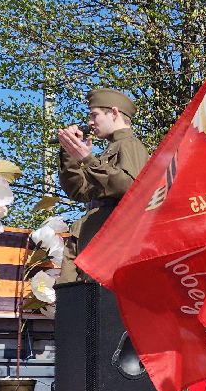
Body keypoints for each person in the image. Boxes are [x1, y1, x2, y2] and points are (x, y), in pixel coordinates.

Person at [56, 87, 150, 283]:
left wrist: (87, 160)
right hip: (92, 237)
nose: (90, 122)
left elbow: (130, 187)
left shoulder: (129, 144)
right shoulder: (110, 150)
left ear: (114, 113)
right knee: (75, 302)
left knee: (97, 305)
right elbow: (79, 190)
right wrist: (70, 154)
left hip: (111, 243)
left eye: (95, 115)